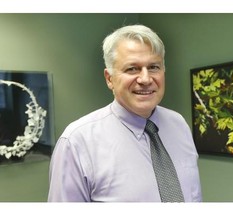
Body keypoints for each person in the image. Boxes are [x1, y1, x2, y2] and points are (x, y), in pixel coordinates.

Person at [47, 24, 202, 202]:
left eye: (153, 67)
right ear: (109, 78)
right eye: (132, 69)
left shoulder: (179, 124)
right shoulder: (77, 142)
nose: (145, 79)